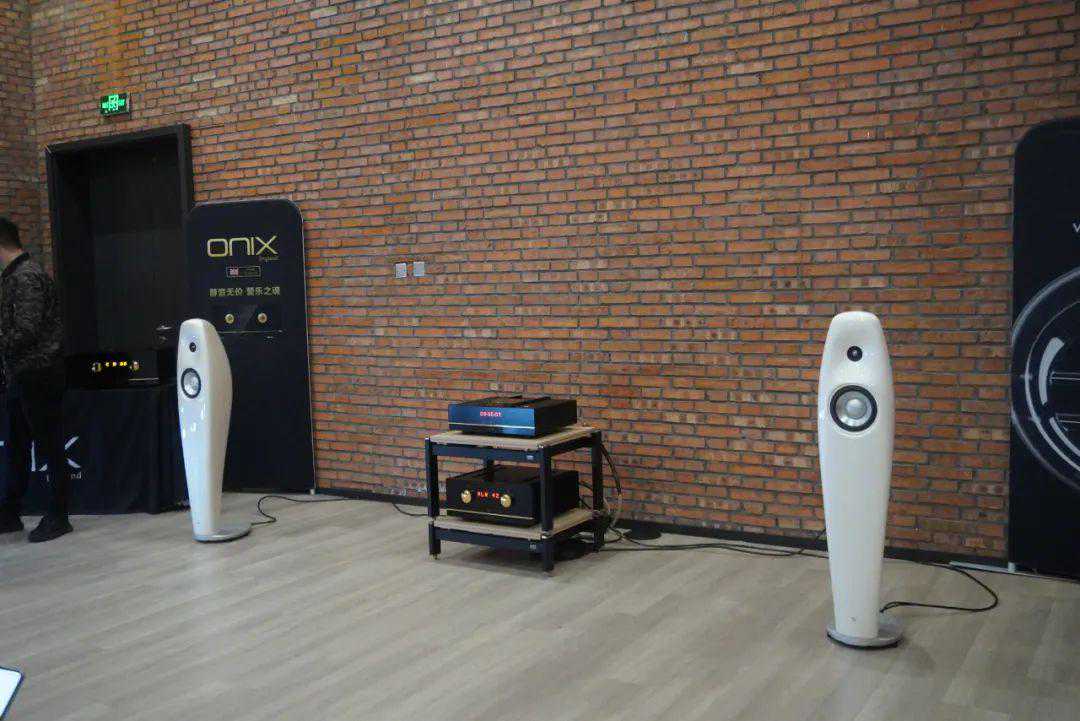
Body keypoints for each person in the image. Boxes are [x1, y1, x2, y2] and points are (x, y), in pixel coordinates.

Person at [0, 216, 71, 542]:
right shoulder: (12, 278)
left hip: (39, 373)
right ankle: (9, 511)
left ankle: (59, 515)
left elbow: (26, 330)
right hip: (20, 374)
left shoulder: (27, 277)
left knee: (49, 445)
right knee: (16, 445)